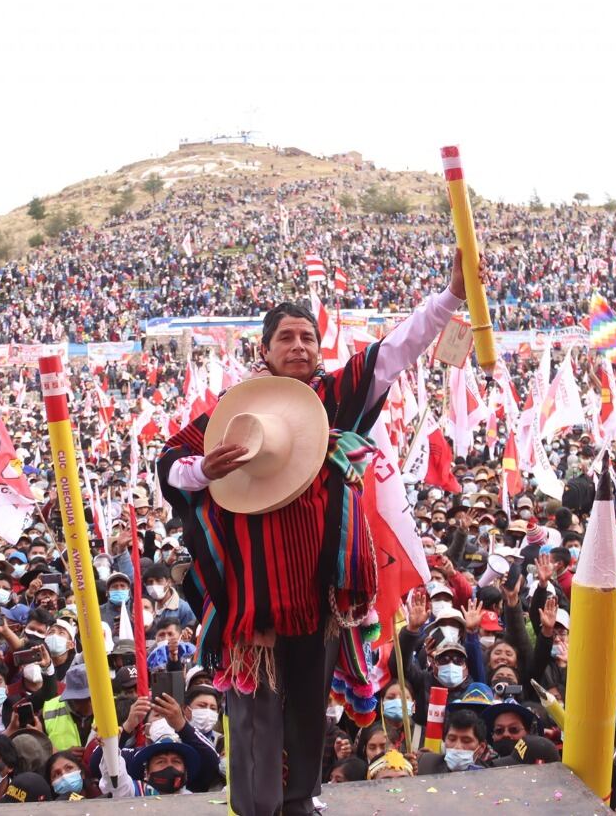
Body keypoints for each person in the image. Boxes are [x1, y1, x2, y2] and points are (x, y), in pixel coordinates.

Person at [158, 250, 473, 815]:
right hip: (252, 605)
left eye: (307, 336)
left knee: (308, 711)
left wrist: (450, 297)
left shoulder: (334, 398)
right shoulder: (233, 413)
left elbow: (396, 350)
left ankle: (302, 799)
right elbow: (170, 464)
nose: (299, 346)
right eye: (286, 338)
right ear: (265, 350)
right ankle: (259, 809)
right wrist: (207, 469)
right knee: (256, 718)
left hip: (321, 600)